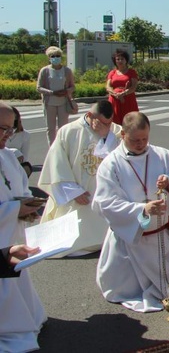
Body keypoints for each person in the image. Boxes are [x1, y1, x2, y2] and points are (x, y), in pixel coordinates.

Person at [93, 112, 169, 312]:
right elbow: (104, 202)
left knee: (167, 285)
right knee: (125, 290)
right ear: (123, 134)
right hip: (130, 238)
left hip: (158, 234)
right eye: (135, 140)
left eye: (145, 139)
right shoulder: (111, 164)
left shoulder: (161, 154)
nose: (141, 144)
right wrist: (141, 209)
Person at [37, 100, 121, 255]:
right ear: (89, 115)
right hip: (77, 193)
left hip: (104, 193)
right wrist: (73, 191)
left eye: (109, 123)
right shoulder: (68, 131)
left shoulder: (115, 132)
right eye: (102, 122)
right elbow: (57, 164)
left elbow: (120, 160)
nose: (106, 126)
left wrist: (106, 137)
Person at [0, 102, 47, 351]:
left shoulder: (8, 155)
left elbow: (20, 190)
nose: (8, 135)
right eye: (3, 129)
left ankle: (24, 318)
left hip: (12, 234)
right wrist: (14, 210)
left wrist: (27, 209)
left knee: (19, 287)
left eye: (12, 129)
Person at [36, 46, 76, 145]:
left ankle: (63, 146)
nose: (55, 58)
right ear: (49, 58)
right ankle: (52, 148)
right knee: (51, 128)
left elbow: (72, 86)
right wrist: (52, 92)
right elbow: (39, 87)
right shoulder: (44, 71)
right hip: (49, 103)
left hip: (63, 102)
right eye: (53, 56)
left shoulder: (67, 70)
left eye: (57, 56)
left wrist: (66, 91)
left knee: (63, 127)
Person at [106, 48, 139, 125]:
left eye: (122, 59)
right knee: (114, 122)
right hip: (114, 100)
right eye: (118, 59)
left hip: (128, 99)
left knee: (129, 122)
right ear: (115, 61)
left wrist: (123, 94)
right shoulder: (112, 72)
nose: (120, 61)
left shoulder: (131, 72)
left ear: (126, 60)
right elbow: (108, 86)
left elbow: (133, 87)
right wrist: (115, 94)